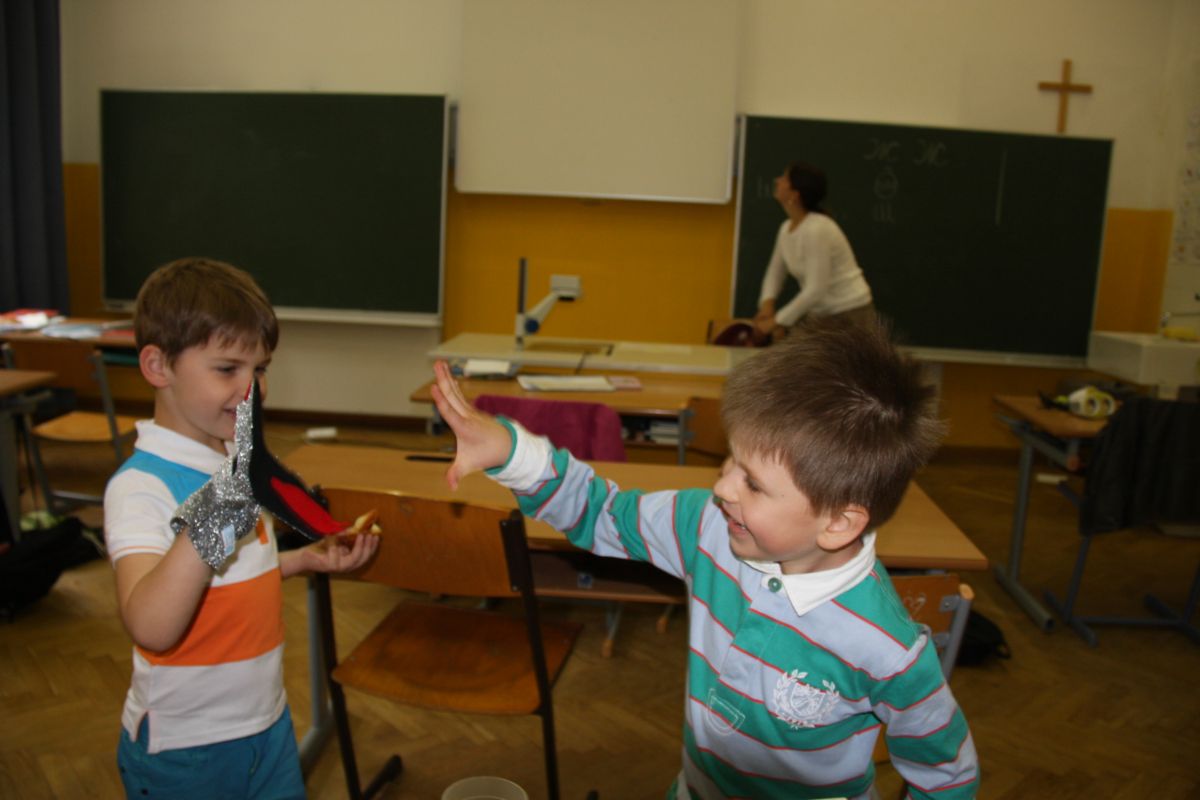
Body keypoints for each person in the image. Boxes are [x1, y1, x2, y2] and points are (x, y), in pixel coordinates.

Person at [430, 317, 978, 800]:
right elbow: (602, 512)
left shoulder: (888, 648)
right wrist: (511, 452)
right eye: (730, 462)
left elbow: (947, 776)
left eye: (753, 484)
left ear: (838, 523)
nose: (723, 488)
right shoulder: (711, 526)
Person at [103, 257, 378, 799]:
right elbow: (152, 625)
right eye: (228, 369)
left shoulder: (233, 460)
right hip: (187, 751)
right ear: (157, 366)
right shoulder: (141, 487)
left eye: (260, 370)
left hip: (267, 724)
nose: (253, 391)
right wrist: (216, 510)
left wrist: (303, 560)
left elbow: (231, 577)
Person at [754, 162, 875, 341]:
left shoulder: (817, 228)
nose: (777, 181)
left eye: (784, 179)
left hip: (850, 315)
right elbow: (775, 272)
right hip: (821, 315)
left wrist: (776, 321)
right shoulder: (786, 228)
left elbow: (816, 289)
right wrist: (767, 304)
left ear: (795, 195)